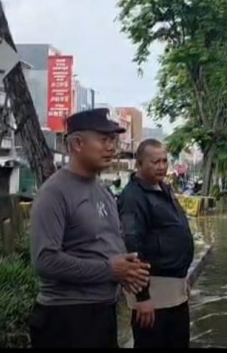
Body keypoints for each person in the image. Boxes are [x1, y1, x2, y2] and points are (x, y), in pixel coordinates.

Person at [29, 108, 151, 348]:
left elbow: (112, 246)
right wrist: (109, 269)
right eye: (104, 140)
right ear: (77, 144)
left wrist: (133, 279)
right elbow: (44, 260)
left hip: (102, 313)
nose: (111, 147)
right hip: (66, 318)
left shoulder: (103, 192)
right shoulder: (54, 193)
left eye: (113, 140)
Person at [119, 139, 195, 349]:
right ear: (139, 164)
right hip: (153, 295)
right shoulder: (134, 197)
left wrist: (182, 277)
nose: (162, 166)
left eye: (164, 161)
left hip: (175, 290)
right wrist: (142, 297)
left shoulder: (164, 189)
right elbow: (132, 245)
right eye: (155, 162)